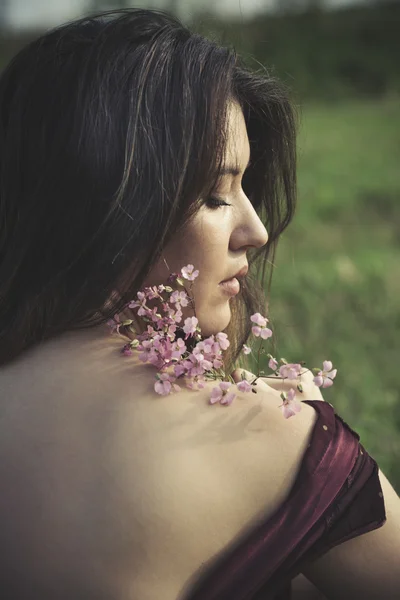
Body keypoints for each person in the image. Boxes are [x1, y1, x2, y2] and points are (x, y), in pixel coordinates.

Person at [0, 8, 399, 600]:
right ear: (109, 208)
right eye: (216, 195)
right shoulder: (263, 429)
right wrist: (317, 447)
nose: (257, 230)